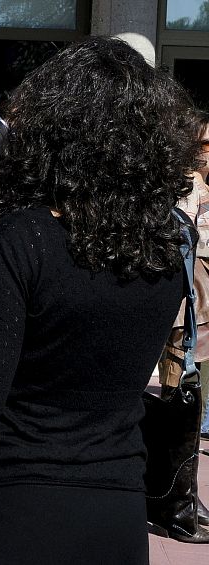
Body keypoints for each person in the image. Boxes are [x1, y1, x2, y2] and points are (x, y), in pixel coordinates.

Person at [0, 36, 199, 563]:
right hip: (118, 507)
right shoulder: (170, 239)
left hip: (18, 502)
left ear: (54, 128)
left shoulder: (25, 239)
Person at [158, 111, 209, 530]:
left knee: (185, 392)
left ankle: (180, 491)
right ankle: (178, 497)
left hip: (191, 299)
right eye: (205, 145)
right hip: (182, 301)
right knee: (180, 391)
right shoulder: (184, 186)